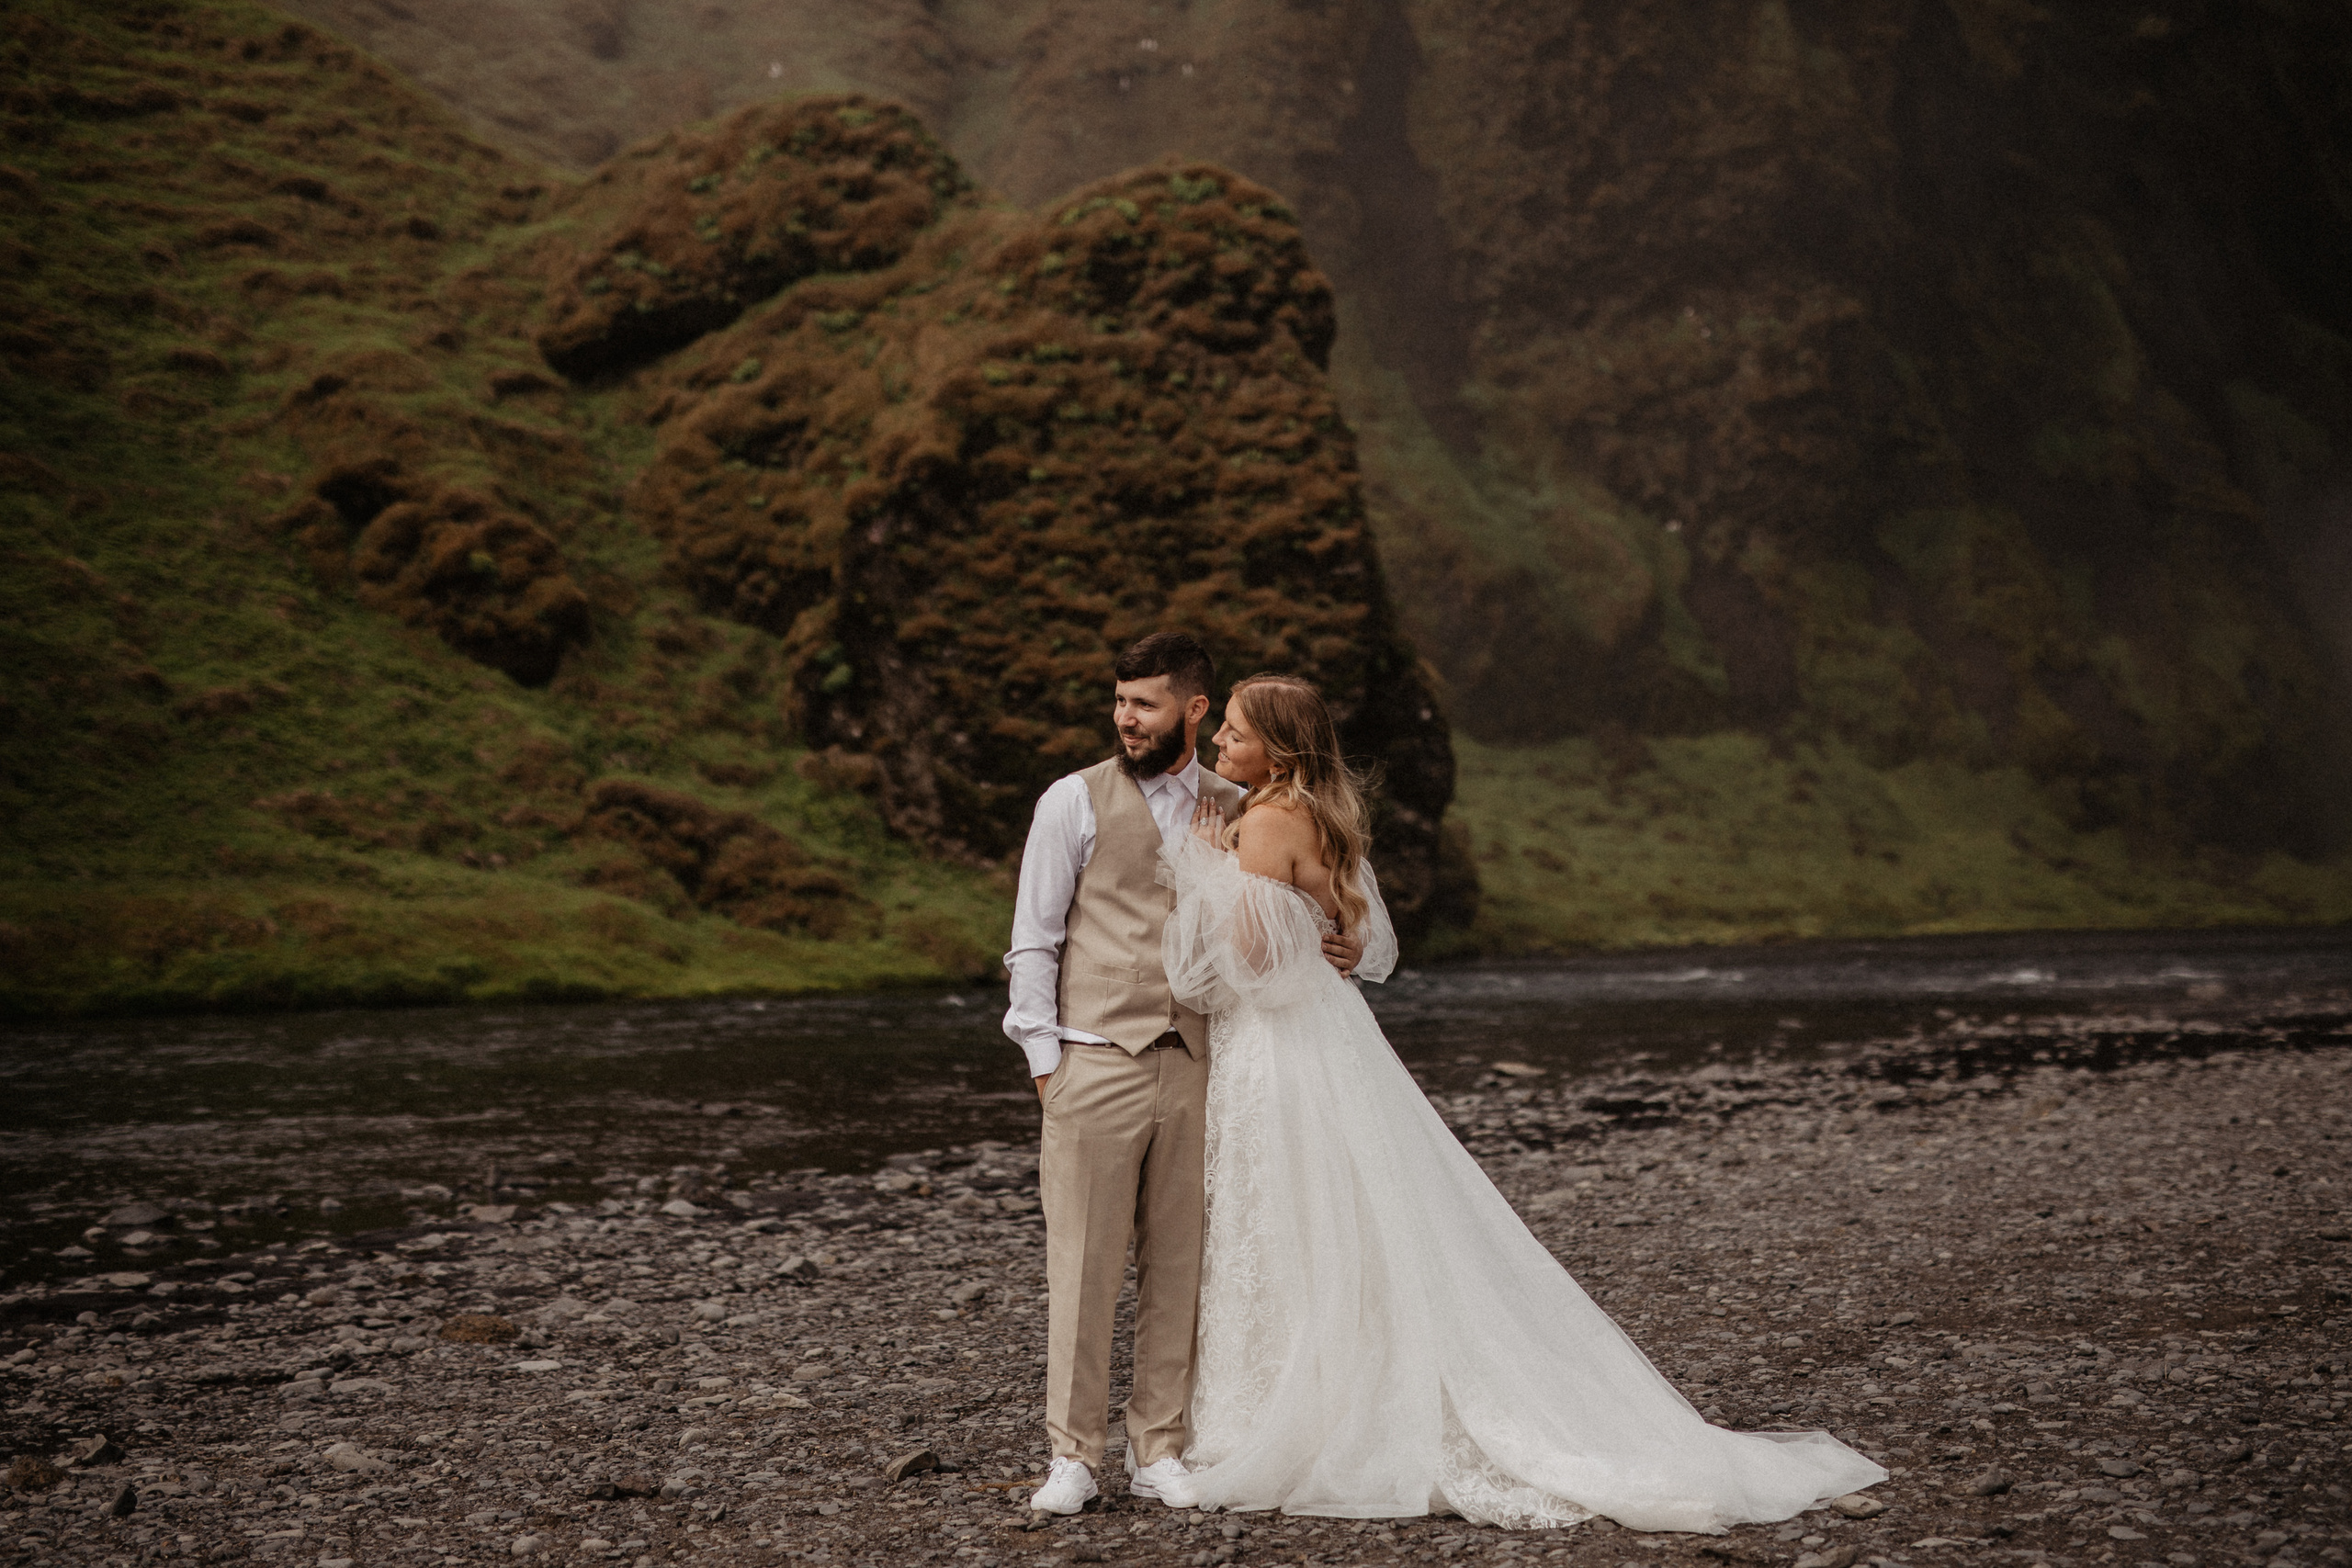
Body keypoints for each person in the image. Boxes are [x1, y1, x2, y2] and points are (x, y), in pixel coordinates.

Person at [1157, 673, 1888, 1530]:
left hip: (1281, 1043)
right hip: (1329, 1033)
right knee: (1347, 1207)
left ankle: (1296, 1411)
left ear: (1276, 748)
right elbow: (1348, 933)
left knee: (1290, 1208)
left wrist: (1203, 861)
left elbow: (1252, 957)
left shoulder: (1267, 818)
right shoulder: (1316, 811)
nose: (1219, 746)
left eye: (1234, 733)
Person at [1002, 635, 1365, 1516]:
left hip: (1201, 1065)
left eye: (1146, 704)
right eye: (1120, 702)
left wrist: (1342, 934)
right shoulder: (1071, 801)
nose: (1127, 718)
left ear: (1194, 711)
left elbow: (1318, 892)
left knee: (1182, 1265)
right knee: (1083, 1266)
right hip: (1093, 1058)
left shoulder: (1245, 802)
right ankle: (1073, 1455)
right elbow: (1033, 938)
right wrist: (1047, 1061)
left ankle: (1158, 1446)